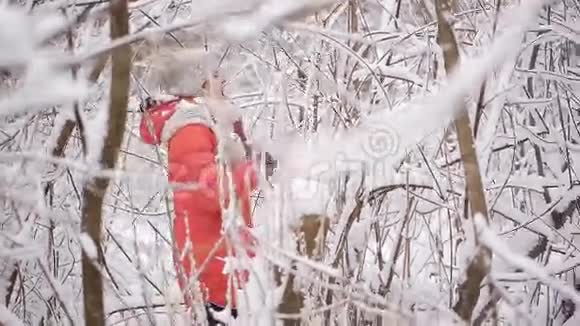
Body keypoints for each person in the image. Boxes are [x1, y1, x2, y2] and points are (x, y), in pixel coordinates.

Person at [138, 76, 258, 325]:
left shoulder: (197, 125)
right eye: (216, 76)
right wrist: (257, 171)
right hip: (214, 275)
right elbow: (208, 191)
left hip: (212, 270)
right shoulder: (192, 127)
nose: (225, 81)